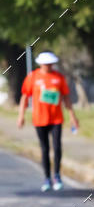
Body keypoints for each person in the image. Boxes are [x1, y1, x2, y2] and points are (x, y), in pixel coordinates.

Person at [17, 51, 79, 192]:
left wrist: (73, 117)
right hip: (39, 119)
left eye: (50, 64)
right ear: (40, 64)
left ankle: (57, 175)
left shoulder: (59, 78)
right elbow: (24, 97)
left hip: (56, 118)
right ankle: (47, 178)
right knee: (44, 149)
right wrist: (21, 116)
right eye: (46, 64)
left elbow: (66, 98)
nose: (48, 66)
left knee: (57, 147)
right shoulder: (33, 77)